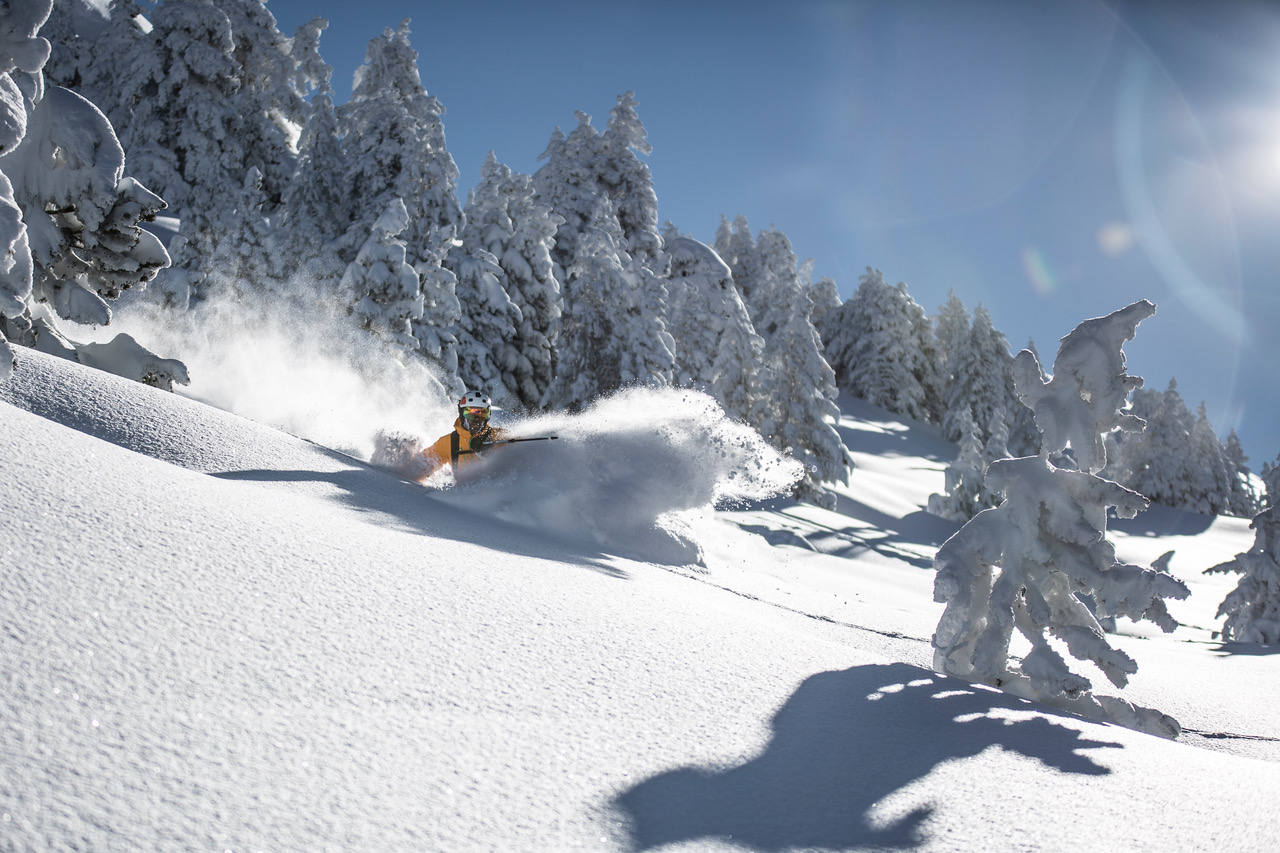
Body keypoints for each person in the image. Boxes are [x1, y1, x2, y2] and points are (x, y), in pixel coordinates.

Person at [418, 389, 508, 481]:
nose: (476, 419)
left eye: (483, 413)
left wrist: (493, 448)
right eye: (470, 413)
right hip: (463, 493)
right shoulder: (449, 443)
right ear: (461, 414)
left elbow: (521, 451)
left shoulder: (499, 436)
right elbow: (419, 468)